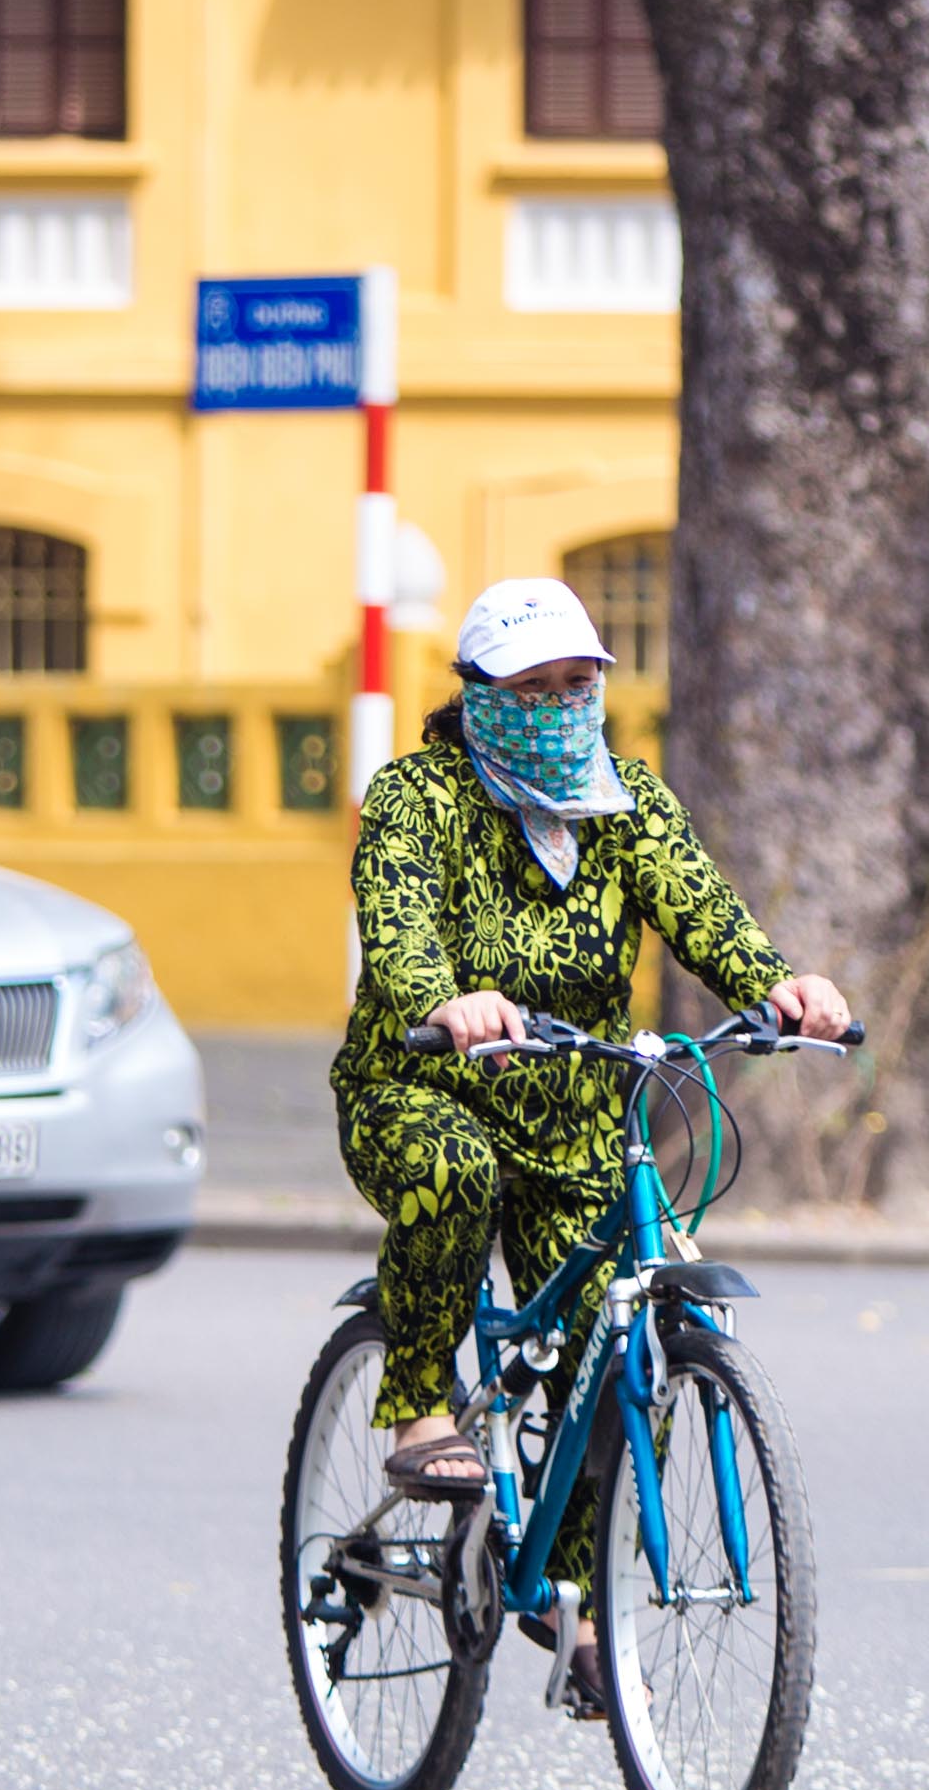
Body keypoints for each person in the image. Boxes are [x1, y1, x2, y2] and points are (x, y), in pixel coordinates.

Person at [334, 577, 851, 1515]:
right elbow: (398, 921)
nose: (561, 709)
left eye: (579, 685)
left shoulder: (628, 801)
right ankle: (417, 1406)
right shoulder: (417, 796)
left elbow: (700, 905)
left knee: (627, 1343)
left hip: (575, 1120)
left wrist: (777, 987)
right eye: (533, 690)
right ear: (478, 694)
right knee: (452, 1169)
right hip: (423, 1088)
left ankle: (581, 1625)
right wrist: (445, 1000)